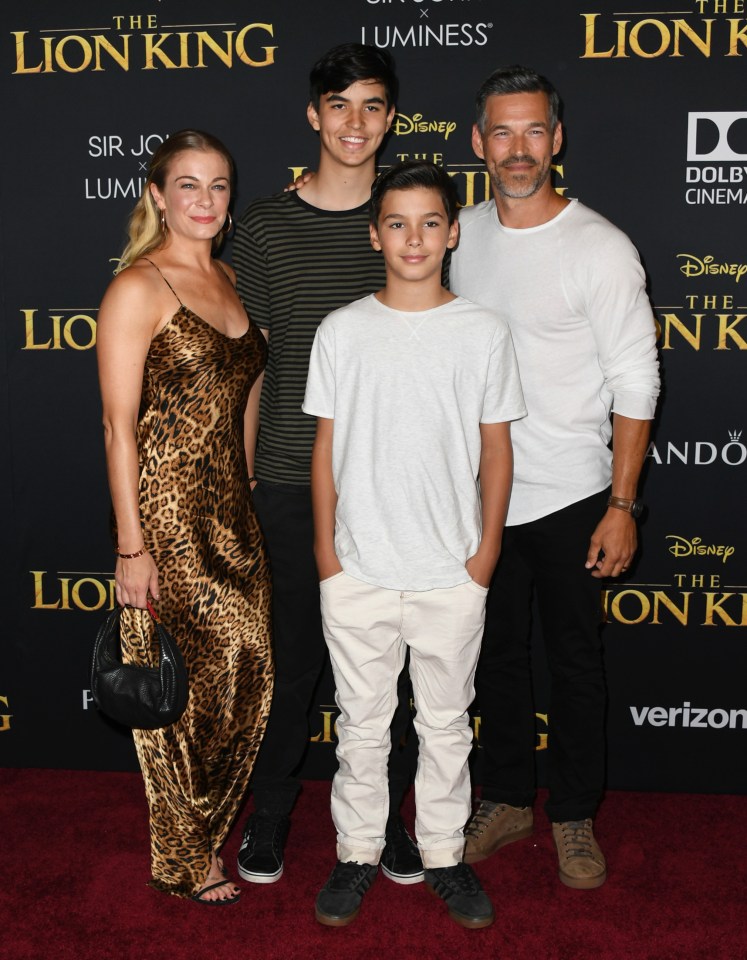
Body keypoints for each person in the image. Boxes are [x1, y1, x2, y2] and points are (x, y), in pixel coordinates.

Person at [450, 66, 660, 889]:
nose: (517, 149)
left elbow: (636, 381)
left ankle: (573, 815)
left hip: (575, 493)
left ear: (556, 139)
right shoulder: (459, 235)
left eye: (533, 131)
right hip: (479, 500)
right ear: (477, 143)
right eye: (501, 132)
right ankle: (504, 799)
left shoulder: (599, 247)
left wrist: (621, 503)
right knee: (492, 658)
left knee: (574, 663)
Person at [304, 160, 526, 928]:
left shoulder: (482, 332)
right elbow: (324, 449)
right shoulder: (342, 331)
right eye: (396, 223)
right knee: (361, 728)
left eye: (430, 222)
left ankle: (442, 856)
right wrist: (328, 560)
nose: (413, 238)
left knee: (444, 727)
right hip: (357, 569)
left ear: (453, 232)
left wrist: (483, 556)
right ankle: (356, 852)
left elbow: (495, 450)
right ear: (373, 235)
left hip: (449, 572)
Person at [231, 43, 422, 887]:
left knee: (394, 666)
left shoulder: (411, 221)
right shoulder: (265, 226)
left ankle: (393, 825)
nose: (354, 123)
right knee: (293, 658)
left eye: (372, 106)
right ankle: (270, 814)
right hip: (284, 475)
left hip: (397, 485)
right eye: (338, 105)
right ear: (313, 116)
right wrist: (241, 478)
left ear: (390, 119)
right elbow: (252, 364)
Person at [96, 130, 273, 904]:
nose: (206, 200)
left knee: (242, 675)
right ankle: (184, 853)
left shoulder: (230, 279)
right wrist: (132, 547)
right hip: (165, 521)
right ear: (158, 196)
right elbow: (117, 426)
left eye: (220, 186)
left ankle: (198, 826)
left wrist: (250, 475)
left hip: (232, 513)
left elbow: (243, 392)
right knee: (178, 689)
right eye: (189, 186)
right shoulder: (139, 286)